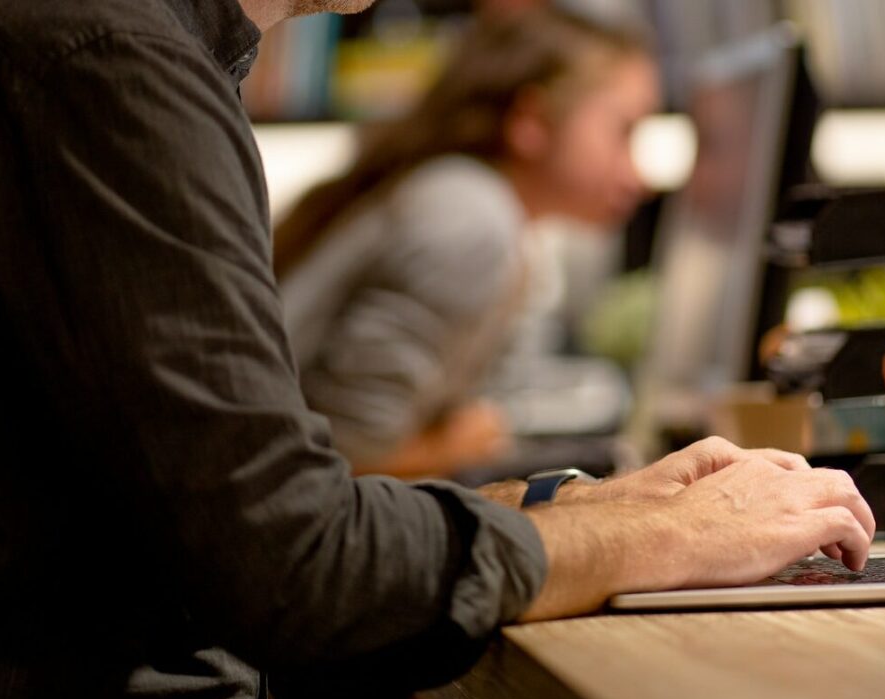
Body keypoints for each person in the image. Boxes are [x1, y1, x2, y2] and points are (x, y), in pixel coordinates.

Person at [0, 1, 874, 699]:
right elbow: (290, 565)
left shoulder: (122, 50)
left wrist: (578, 509)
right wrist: (638, 537)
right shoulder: (100, 59)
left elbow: (228, 513)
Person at [274, 6, 654, 478]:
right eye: (624, 131)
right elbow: (344, 457)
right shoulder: (472, 221)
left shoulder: (465, 200)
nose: (640, 175)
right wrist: (461, 443)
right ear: (531, 122)